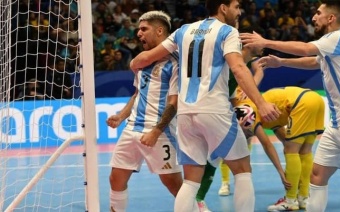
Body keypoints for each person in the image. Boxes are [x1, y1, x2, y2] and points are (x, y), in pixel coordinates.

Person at [130, 1, 281, 211]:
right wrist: (261, 103)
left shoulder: (183, 30)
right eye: (236, 6)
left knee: (191, 181)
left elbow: (145, 58)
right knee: (242, 171)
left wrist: (133, 65)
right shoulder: (228, 32)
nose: (239, 11)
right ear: (223, 7)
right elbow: (238, 67)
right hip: (214, 109)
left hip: (185, 114)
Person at [240, 1, 340, 211]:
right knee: (317, 175)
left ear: (331, 18)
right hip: (336, 126)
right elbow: (315, 61)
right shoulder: (330, 46)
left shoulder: (337, 37)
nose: (313, 17)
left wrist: (266, 41)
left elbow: (306, 49)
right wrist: (282, 62)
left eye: (318, 13)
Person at [195, 48, 291, 212]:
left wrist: (259, 72)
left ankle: (200, 197)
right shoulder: (230, 64)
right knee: (221, 155)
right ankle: (222, 184)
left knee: (238, 157)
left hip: (239, 110)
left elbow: (252, 83)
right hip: (222, 112)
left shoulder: (244, 69)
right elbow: (267, 144)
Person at [107, 11, 182, 212]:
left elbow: (174, 104)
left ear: (159, 31)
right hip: (132, 128)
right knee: (116, 178)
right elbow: (137, 94)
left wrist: (156, 132)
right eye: (138, 29)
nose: (138, 33)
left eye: (143, 29)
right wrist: (121, 116)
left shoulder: (174, 63)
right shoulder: (143, 63)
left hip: (159, 132)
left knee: (174, 185)